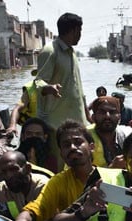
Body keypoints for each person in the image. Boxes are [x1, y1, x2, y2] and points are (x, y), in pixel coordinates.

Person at [3, 120, 98, 221]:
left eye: (78, 142)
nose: (73, 147)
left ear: (91, 147)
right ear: (61, 153)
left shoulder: (111, 177)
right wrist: (22, 220)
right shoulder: (58, 182)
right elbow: (38, 207)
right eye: (66, 145)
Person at [35, 12, 86, 172]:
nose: (80, 35)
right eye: (79, 31)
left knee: (79, 165)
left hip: (77, 121)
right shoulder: (50, 51)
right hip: (56, 124)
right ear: (72, 30)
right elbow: (38, 81)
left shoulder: (72, 53)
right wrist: (48, 88)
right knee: (58, 167)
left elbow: (78, 86)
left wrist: (86, 111)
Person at [86, 96, 132, 168]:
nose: (107, 116)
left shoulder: (128, 135)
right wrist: (111, 169)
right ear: (93, 117)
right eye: (102, 112)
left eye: (112, 112)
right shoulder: (84, 138)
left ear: (119, 117)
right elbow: (78, 175)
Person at [7, 69, 39, 134]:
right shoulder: (31, 88)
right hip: (32, 130)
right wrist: (13, 125)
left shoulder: (63, 87)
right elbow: (17, 109)